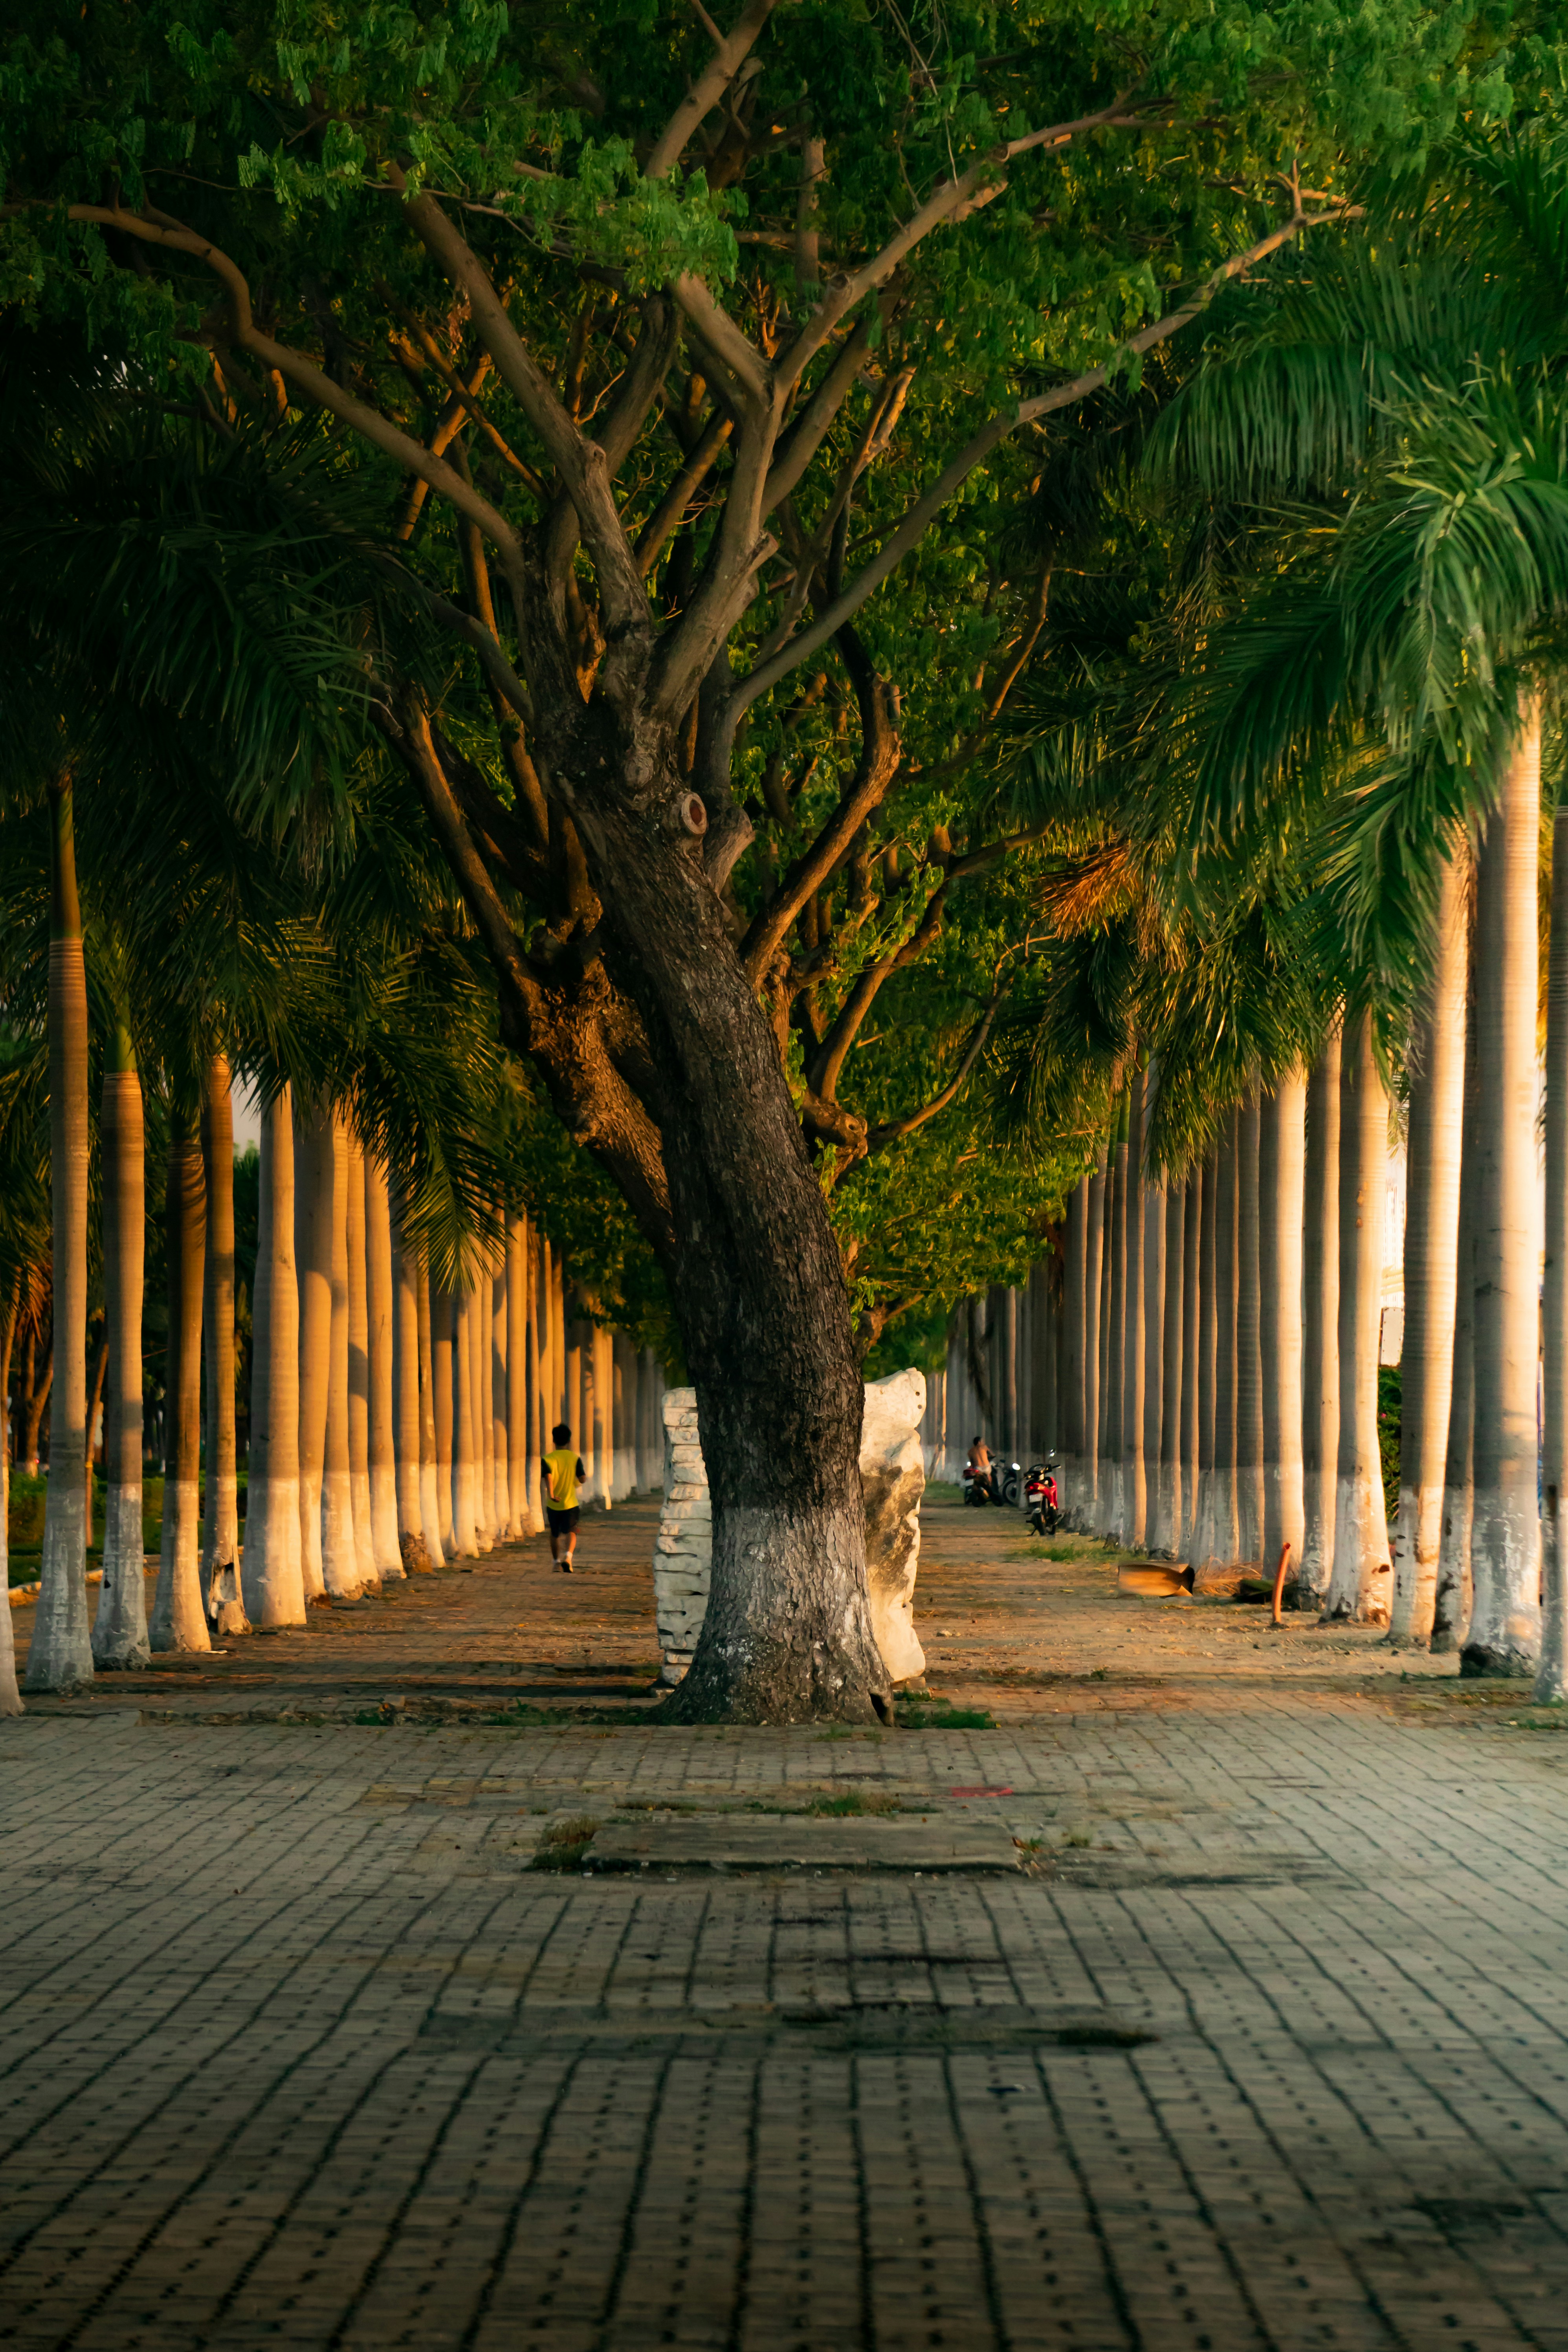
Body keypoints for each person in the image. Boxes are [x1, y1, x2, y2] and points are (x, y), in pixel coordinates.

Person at [543, 1422, 586, 1571]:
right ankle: (568, 1557)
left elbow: (548, 1477)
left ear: (554, 1441)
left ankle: (556, 1563)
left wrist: (552, 1494)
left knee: (555, 1533)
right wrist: (577, 1480)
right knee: (571, 1531)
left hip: (553, 1504)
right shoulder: (575, 1459)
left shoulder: (548, 1459)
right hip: (570, 1504)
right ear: (569, 1441)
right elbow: (582, 1479)